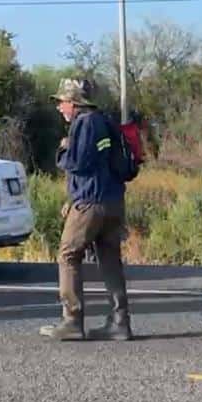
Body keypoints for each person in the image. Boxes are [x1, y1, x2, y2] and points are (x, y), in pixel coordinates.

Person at [41, 79, 132, 341]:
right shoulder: (104, 121)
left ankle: (72, 319)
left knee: (68, 255)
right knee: (109, 259)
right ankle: (120, 322)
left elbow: (77, 163)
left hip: (91, 202)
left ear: (74, 102)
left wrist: (63, 147)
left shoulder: (84, 123)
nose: (60, 107)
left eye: (62, 102)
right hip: (113, 200)